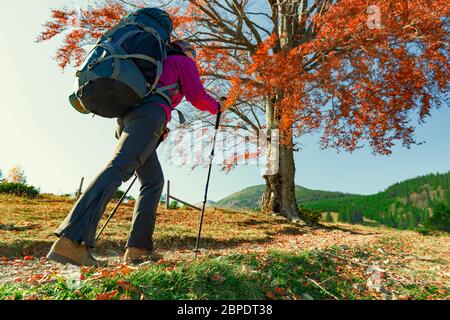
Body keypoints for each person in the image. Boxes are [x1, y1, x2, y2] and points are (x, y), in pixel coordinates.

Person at [47, 40, 225, 267]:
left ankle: (138, 250)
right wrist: (217, 106)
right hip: (149, 116)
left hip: (130, 118)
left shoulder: (157, 66)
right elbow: (198, 96)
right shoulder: (181, 61)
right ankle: (71, 242)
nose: (196, 57)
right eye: (195, 53)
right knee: (119, 167)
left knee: (153, 181)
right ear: (185, 50)